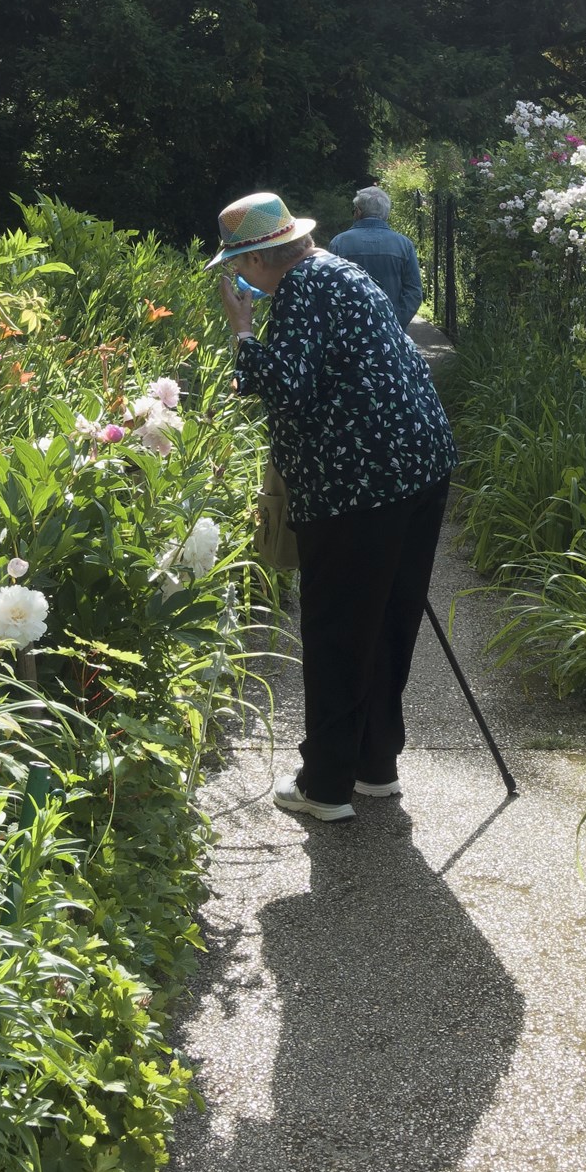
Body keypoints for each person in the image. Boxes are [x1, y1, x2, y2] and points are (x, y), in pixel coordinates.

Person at [210, 191, 458, 823]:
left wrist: (243, 330)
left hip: (356, 484)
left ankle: (324, 785)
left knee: (339, 629)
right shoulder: (342, 273)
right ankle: (376, 766)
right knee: (390, 621)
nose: (236, 280)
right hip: (420, 467)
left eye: (236, 268)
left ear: (262, 259)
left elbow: (282, 387)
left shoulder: (299, 289)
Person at [327, 185, 423, 328]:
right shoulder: (404, 244)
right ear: (386, 213)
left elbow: (330, 289)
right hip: (392, 334)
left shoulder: (339, 243)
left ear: (358, 211)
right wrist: (395, 322)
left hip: (349, 331)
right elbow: (414, 291)